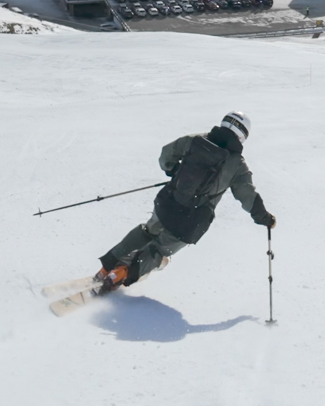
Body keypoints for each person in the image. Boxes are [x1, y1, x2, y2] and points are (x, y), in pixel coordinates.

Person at [93, 112, 274, 294]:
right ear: (242, 136)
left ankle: (106, 267)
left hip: (167, 202)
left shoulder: (195, 140)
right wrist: (264, 218)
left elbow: (166, 155)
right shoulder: (237, 165)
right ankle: (119, 274)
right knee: (158, 250)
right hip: (189, 221)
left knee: (147, 232)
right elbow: (248, 196)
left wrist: (174, 171)